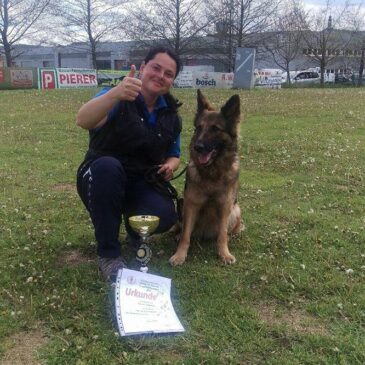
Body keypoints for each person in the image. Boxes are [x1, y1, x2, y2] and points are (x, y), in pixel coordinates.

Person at [76, 46, 182, 282]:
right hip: (100, 174)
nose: (160, 76)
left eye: (168, 73)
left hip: (140, 180)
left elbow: (174, 153)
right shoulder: (117, 96)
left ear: (172, 80)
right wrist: (115, 93)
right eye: (156, 68)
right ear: (143, 68)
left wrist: (171, 165)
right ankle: (108, 254)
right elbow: (82, 119)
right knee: (107, 169)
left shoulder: (171, 115)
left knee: (165, 214)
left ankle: (136, 233)